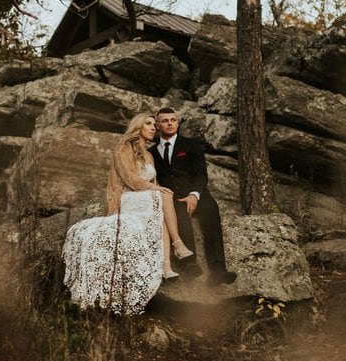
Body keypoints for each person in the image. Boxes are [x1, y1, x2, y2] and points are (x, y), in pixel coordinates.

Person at [62, 114, 194, 315]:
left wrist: (158, 189)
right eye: (148, 124)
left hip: (145, 197)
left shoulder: (148, 155)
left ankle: (166, 266)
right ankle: (177, 245)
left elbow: (155, 184)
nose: (153, 128)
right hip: (127, 198)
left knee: (162, 200)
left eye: (153, 125)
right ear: (138, 126)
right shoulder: (124, 147)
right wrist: (156, 189)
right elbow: (130, 178)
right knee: (162, 196)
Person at [151, 107, 237, 286]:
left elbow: (200, 173)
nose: (170, 123)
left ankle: (218, 270)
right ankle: (189, 264)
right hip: (172, 197)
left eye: (173, 120)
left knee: (211, 211)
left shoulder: (191, 145)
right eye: (165, 121)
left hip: (197, 193)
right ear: (158, 125)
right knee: (178, 214)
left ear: (177, 123)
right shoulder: (151, 152)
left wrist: (194, 195)